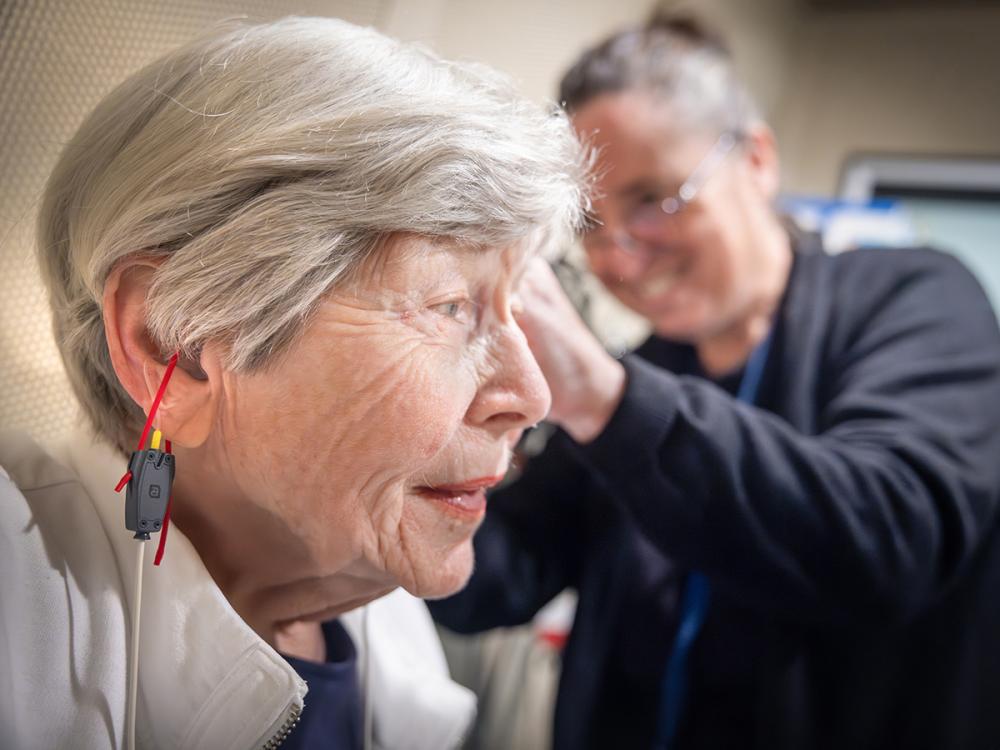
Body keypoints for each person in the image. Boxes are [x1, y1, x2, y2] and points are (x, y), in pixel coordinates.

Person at [0, 16, 588, 749]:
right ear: (175, 346)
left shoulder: (372, 597)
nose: (531, 397)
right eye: (449, 306)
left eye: (516, 308)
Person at [430, 15, 1000, 750]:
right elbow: (509, 569)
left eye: (653, 200)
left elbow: (885, 540)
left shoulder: (917, 301)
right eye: (593, 224)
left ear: (757, 158)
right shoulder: (659, 366)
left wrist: (605, 397)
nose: (621, 259)